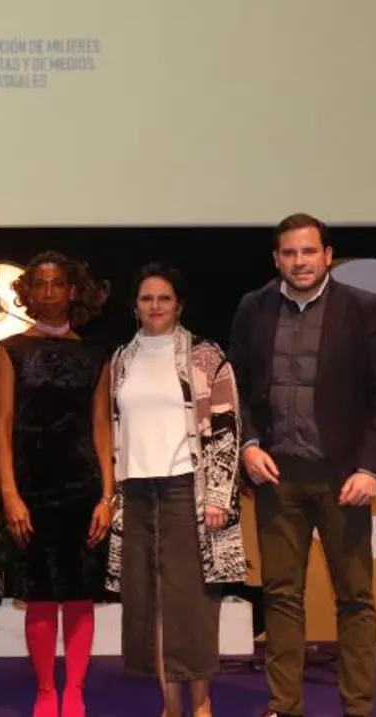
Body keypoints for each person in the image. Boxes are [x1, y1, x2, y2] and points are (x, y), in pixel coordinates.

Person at [231, 215, 376, 717]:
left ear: (328, 255)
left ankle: (358, 707)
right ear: (276, 259)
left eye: (308, 252)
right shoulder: (253, 308)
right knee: (282, 596)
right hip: (276, 476)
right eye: (289, 253)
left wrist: (371, 469)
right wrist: (248, 443)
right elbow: (234, 387)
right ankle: (284, 706)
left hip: (344, 479)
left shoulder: (364, 308)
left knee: (354, 597)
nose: (299, 262)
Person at [104, 265, 247, 717]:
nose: (155, 306)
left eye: (164, 298)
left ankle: (201, 705)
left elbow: (226, 429)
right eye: (146, 298)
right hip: (137, 494)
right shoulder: (121, 360)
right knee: (151, 606)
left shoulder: (206, 357)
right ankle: (169, 706)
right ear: (135, 306)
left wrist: (218, 496)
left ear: (179, 304)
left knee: (193, 606)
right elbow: (114, 430)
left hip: (189, 491)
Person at [0, 251, 113, 717]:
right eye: (39, 285)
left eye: (57, 284)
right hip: (30, 488)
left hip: (82, 487)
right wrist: (9, 495)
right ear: (28, 293)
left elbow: (102, 427)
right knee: (40, 593)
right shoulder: (10, 350)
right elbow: (1, 425)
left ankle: (75, 690)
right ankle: (46, 690)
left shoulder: (95, 355)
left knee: (80, 592)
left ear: (73, 290)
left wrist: (107, 495)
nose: (48, 293)